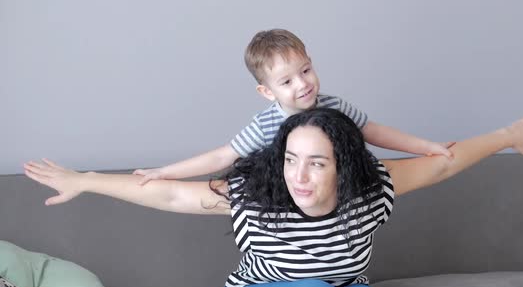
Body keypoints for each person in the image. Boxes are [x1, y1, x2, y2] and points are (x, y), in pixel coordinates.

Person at [24, 108, 523, 287]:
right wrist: (85, 180)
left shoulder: (371, 188)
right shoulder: (258, 193)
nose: (298, 177)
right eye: (291, 160)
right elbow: (169, 194)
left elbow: (443, 164)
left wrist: (507, 136)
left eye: (317, 164)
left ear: (343, 167)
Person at [132, 29, 453, 185]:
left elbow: (374, 131)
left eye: (305, 70)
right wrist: (163, 172)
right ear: (266, 92)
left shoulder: (334, 106)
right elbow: (222, 155)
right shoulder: (265, 125)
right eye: (286, 82)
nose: (302, 84)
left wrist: (426, 146)